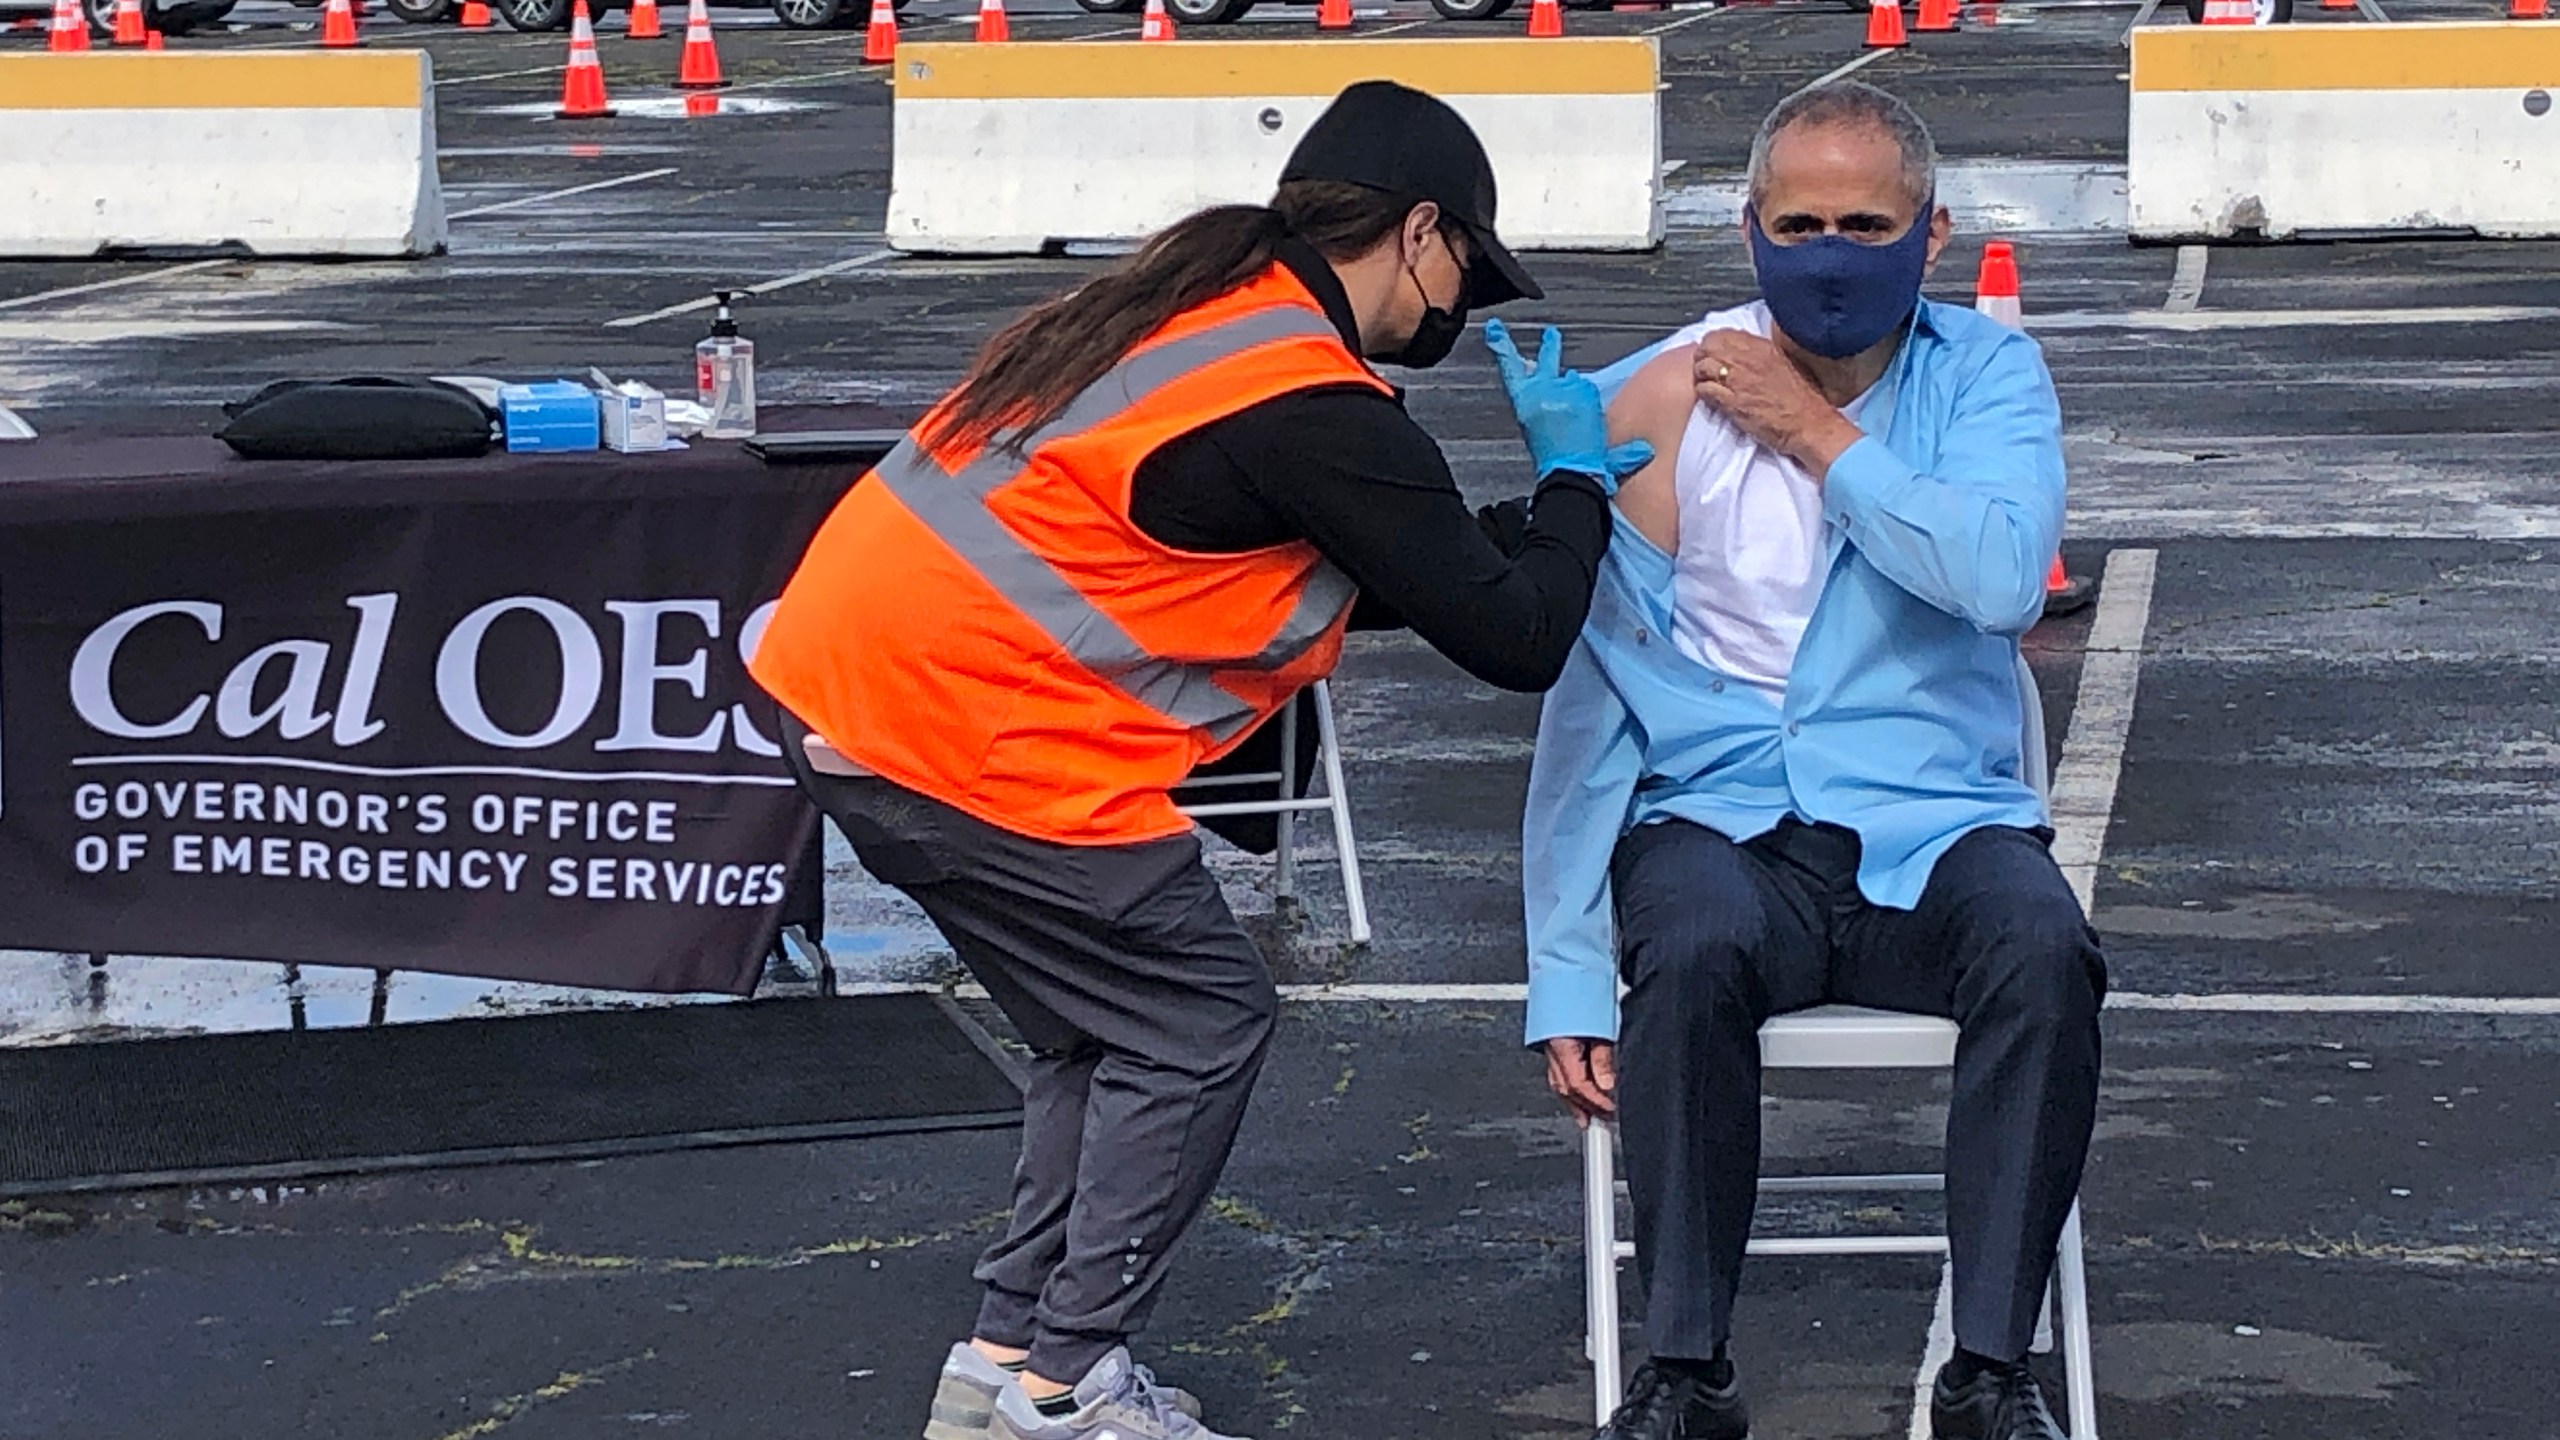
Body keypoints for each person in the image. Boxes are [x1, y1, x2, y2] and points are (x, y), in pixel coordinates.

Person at [750, 80, 1651, 1440]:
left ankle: (1006, 1362)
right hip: (975, 736)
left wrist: (1511, 530)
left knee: (1098, 1030)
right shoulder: (1313, 399)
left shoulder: (1184, 319)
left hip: (850, 705)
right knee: (1202, 1019)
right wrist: (1578, 493)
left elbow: (1383, 565)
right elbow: (1516, 640)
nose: (1465, 309)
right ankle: (1069, 1387)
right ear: (1420, 233)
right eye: (1469, 265)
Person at [1522, 81, 2105, 1440]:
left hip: (1933, 820)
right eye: (1800, 221)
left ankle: (1994, 1369)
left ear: (1934, 234)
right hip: (1722, 821)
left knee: (2043, 947)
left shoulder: (1985, 379)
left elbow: (2005, 577)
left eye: (1865, 222)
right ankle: (1681, 1369)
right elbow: (1590, 692)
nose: (1830, 251)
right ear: (1749, 230)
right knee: (1690, 945)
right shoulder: (1659, 401)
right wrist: (1561, 960)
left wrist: (1815, 433)